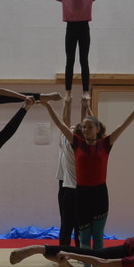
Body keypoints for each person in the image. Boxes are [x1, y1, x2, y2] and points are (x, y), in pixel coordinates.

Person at [41, 94, 134, 267]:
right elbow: (60, 124)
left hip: (100, 194)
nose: (85, 130)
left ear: (97, 129)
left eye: (89, 127)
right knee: (84, 237)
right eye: (84, 127)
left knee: (98, 236)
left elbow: (123, 125)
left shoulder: (106, 144)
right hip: (82, 194)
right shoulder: (76, 143)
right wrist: (47, 106)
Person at [16, 0, 134, 100]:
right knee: (70, 60)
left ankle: (85, 91)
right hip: (71, 28)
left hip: (84, 27)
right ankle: (68, 91)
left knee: (84, 60)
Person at [56, 96, 86, 248]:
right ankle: (73, 249)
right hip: (64, 183)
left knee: (72, 223)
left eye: (73, 129)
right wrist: (83, 105)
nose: (71, 127)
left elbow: (64, 122)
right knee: (69, 222)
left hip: (71, 186)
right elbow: (66, 123)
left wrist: (66, 103)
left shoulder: (71, 143)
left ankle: (72, 249)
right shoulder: (64, 143)